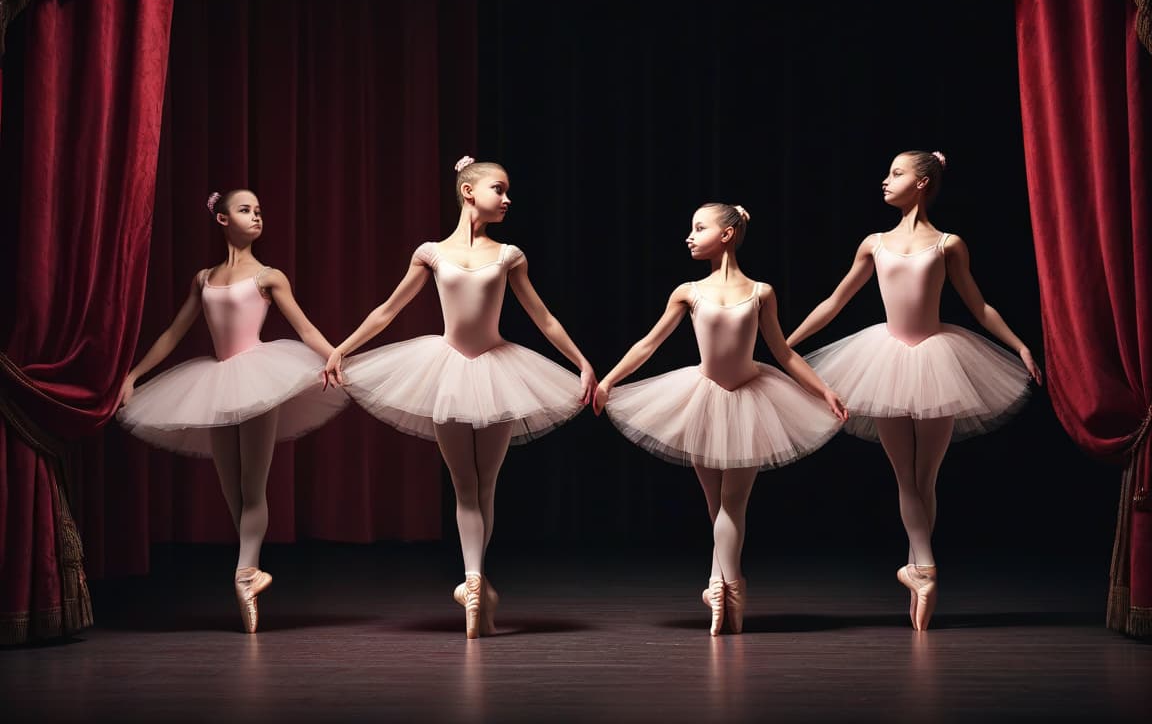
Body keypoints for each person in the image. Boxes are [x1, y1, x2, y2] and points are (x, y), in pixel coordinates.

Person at [323, 156, 596, 639]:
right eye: (499, 189)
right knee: (464, 484)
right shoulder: (430, 253)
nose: (508, 198)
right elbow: (387, 310)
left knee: (484, 484)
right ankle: (475, 585)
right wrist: (341, 349)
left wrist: (582, 362)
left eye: (509, 191)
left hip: (498, 369)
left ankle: (473, 583)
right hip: (446, 369)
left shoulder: (509, 254)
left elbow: (544, 317)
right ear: (468, 192)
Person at [787, 151, 1042, 631]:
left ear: (923, 182)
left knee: (924, 478)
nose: (885, 181)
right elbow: (835, 301)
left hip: (938, 360)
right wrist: (787, 345)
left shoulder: (948, 244)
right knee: (908, 476)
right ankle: (923, 569)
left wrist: (1020, 345)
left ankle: (921, 572)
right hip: (883, 360)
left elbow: (980, 305)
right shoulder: (875, 244)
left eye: (897, 173)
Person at [593, 203, 847, 635]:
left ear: (727, 235)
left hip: (752, 400)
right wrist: (610, 380)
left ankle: (724, 586)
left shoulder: (761, 292)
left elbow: (782, 352)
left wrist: (823, 389)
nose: (689, 237)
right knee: (718, 507)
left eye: (699, 228)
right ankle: (725, 586)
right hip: (703, 400)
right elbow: (649, 343)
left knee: (734, 503)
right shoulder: (688, 291)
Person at [118, 189, 348, 633]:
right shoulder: (203, 278)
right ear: (222, 220)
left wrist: (338, 357)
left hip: (260, 377)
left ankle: (245, 573)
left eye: (260, 210)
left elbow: (304, 327)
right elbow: (172, 333)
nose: (257, 216)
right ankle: (248, 571)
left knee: (252, 484)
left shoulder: (268, 277)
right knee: (233, 491)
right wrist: (134, 375)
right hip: (217, 382)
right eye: (246, 210)